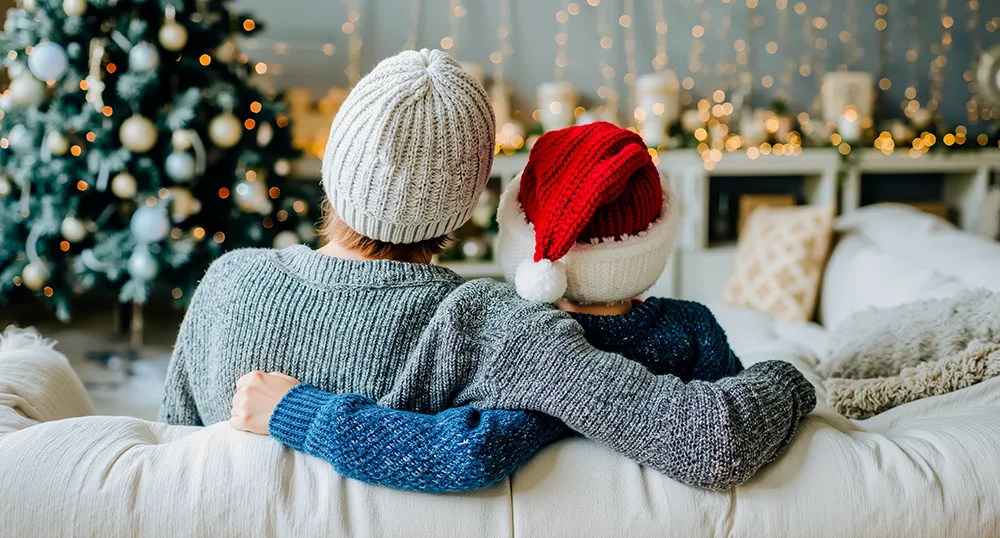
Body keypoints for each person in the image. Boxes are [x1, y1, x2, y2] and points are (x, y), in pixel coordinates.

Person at [161, 49, 815, 493]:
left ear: (336, 162)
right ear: (473, 201)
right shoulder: (493, 326)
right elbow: (712, 440)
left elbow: (166, 457)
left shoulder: (227, 282)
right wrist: (799, 373)